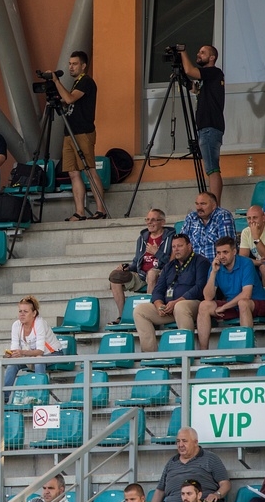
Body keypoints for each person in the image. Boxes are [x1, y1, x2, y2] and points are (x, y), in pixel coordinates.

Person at [52, 52, 108, 220]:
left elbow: (70, 99)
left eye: (74, 64)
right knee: (73, 173)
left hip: (83, 132)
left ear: (83, 66)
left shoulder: (86, 81)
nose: (71, 67)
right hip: (69, 132)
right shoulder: (76, 83)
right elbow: (69, 102)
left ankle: (101, 210)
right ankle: (79, 212)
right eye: (69, 63)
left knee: (89, 170)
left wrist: (56, 82)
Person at [134, 233, 210, 352]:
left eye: (180, 246)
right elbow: (158, 289)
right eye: (174, 247)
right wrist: (159, 305)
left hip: (192, 305)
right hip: (169, 308)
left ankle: (185, 352)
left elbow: (200, 288)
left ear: (189, 246)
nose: (176, 249)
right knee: (140, 310)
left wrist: (176, 302)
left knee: (180, 307)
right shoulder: (169, 266)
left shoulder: (201, 262)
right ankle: (150, 354)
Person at [197, 236, 265, 350]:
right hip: (234, 306)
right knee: (204, 305)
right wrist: (213, 273)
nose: (221, 256)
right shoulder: (216, 266)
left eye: (225, 252)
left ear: (234, 252)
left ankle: (247, 350)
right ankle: (203, 352)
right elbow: (208, 297)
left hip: (258, 303)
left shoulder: (246, 263)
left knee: (243, 303)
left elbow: (246, 295)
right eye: (218, 253)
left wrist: (224, 307)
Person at [108, 209, 174, 323]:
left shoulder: (171, 238)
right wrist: (127, 267)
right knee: (115, 277)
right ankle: (122, 316)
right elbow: (137, 261)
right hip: (142, 275)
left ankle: (150, 315)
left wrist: (157, 252)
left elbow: (172, 263)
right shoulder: (143, 238)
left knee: (152, 274)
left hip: (161, 275)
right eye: (147, 219)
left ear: (162, 222)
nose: (149, 222)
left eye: (153, 220)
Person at [152, 427, 230, 502]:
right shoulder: (171, 462)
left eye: (184, 441)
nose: (180, 445)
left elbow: (225, 484)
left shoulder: (210, 458)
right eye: (178, 441)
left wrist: (217, 494)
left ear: (195, 442)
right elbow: (160, 491)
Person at [179, 45, 225, 203]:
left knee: (212, 169)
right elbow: (195, 89)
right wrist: (183, 78)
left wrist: (182, 52)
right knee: (211, 168)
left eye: (203, 52)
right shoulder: (208, 79)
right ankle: (214, 205)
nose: (199, 54)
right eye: (198, 52)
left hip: (210, 128)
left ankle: (214, 206)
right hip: (207, 128)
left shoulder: (214, 72)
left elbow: (190, 71)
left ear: (212, 58)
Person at [3, 296, 64, 388]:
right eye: (20, 311)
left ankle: (40, 393)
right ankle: (4, 395)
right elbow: (15, 349)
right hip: (31, 356)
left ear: (34, 313)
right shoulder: (16, 325)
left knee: (38, 361)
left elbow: (40, 351)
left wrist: (21, 352)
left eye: (25, 311)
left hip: (53, 353)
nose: (22, 314)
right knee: (12, 364)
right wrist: (11, 354)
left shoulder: (39, 323)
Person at [182, 192, 234, 262]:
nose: (199, 207)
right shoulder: (191, 218)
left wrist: (215, 266)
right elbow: (181, 243)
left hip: (216, 264)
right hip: (193, 265)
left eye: (203, 204)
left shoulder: (222, 216)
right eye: (197, 204)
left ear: (214, 205)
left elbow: (226, 246)